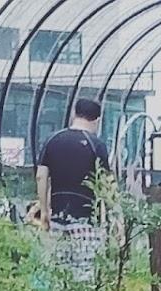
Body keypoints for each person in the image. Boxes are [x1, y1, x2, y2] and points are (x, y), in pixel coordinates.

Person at [35, 98, 111, 281]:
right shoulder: (96, 144)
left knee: (58, 276)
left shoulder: (53, 140)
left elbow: (41, 176)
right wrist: (113, 217)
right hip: (85, 223)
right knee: (84, 277)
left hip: (57, 220)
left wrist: (44, 211)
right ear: (97, 120)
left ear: (73, 114)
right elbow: (107, 185)